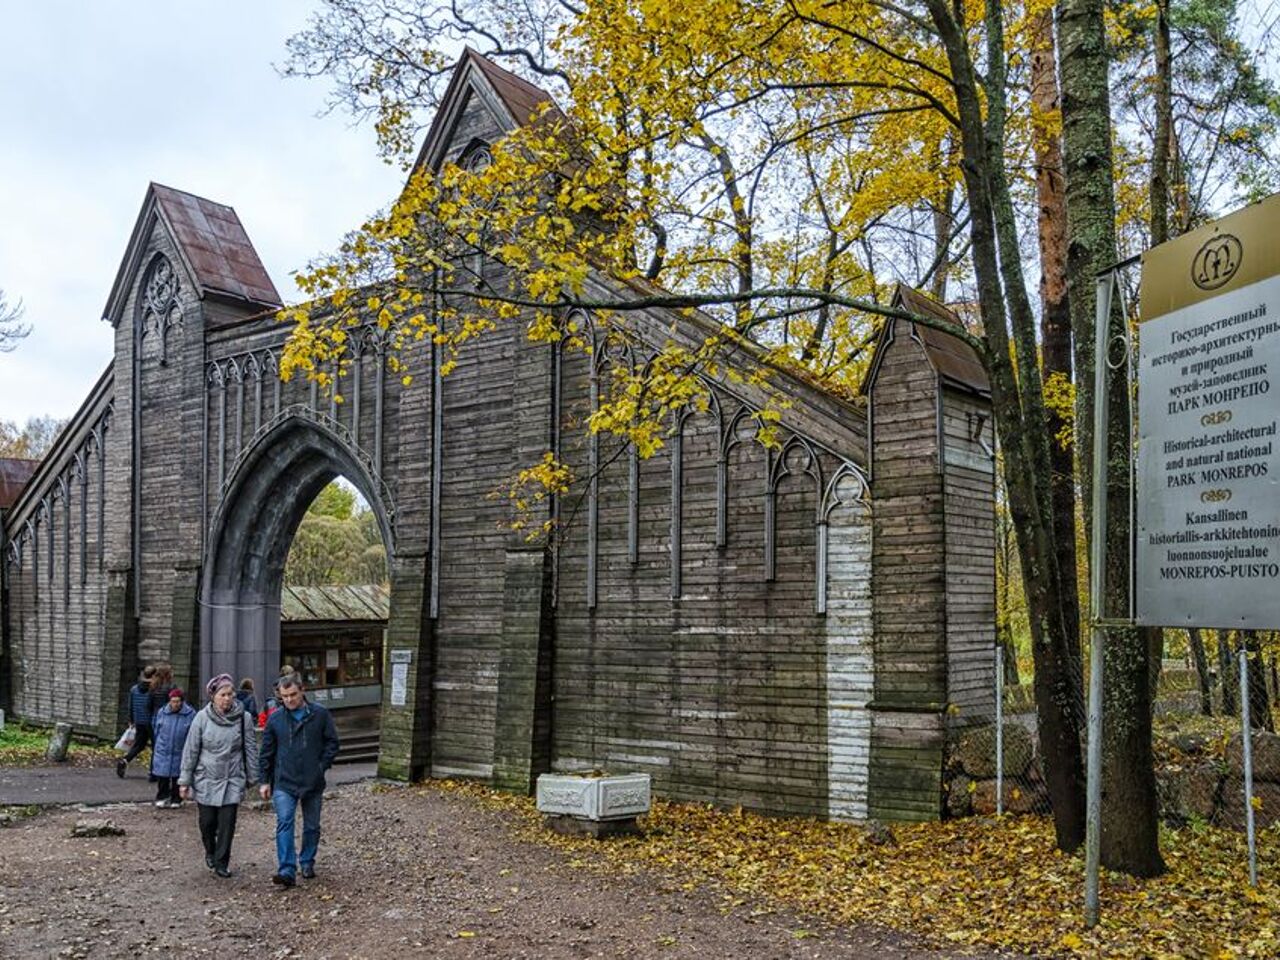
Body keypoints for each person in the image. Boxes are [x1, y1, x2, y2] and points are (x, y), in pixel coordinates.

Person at [259, 671, 339, 888]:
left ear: (302, 690)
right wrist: (264, 780)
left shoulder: (320, 715)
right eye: (284, 696)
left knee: (312, 825)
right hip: (284, 781)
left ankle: (307, 860)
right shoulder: (275, 719)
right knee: (284, 822)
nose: (289, 700)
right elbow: (266, 751)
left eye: (293, 695)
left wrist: (321, 766)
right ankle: (286, 869)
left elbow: (332, 743)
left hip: (312, 780)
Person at [179, 673, 259, 878]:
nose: (227, 698)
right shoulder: (201, 718)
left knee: (227, 823)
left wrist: (252, 776)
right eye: (223, 694)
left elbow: (250, 749)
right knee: (207, 823)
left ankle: (222, 862)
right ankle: (210, 851)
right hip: (206, 776)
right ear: (213, 696)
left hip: (232, 777)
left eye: (230, 694)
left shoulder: (244, 718)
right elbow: (191, 750)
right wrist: (184, 780)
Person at [150, 688, 195, 808]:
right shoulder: (162, 712)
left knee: (177, 776)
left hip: (180, 749)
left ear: (182, 701)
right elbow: (156, 729)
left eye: (177, 701)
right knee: (162, 775)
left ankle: (176, 798)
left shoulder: (190, 714)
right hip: (164, 747)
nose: (175, 704)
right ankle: (162, 796)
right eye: (173, 701)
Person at [117, 665, 157, 778]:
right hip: (151, 722)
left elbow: (130, 705)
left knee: (138, 745)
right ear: (153, 675)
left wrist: (131, 719)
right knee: (156, 747)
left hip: (139, 721)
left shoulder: (134, 689)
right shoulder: (154, 689)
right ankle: (153, 772)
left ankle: (124, 760)